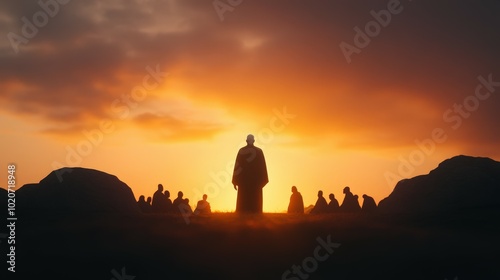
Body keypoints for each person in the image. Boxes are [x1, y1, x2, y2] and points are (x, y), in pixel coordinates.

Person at [232, 134, 269, 214]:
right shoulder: (255, 151)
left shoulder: (256, 151)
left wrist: (235, 180)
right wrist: (235, 180)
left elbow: (262, 167)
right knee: (246, 203)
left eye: (250, 140)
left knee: (252, 202)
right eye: (249, 140)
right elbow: (237, 166)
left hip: (253, 183)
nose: (250, 141)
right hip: (246, 182)